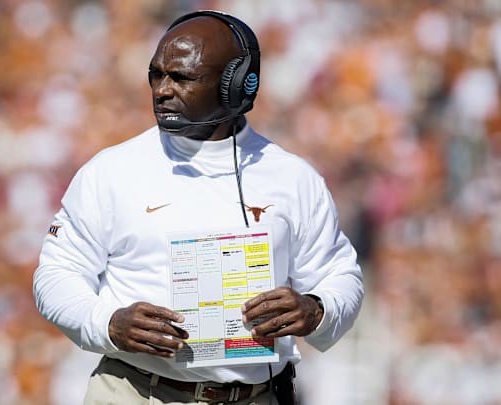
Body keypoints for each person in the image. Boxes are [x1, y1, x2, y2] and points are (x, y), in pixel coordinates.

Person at [34, 10, 364, 405]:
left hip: (255, 395)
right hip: (135, 391)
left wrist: (317, 310)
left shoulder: (293, 178)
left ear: (237, 86)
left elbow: (340, 275)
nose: (161, 89)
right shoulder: (109, 171)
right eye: (156, 75)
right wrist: (107, 322)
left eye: (182, 78)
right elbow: (55, 275)